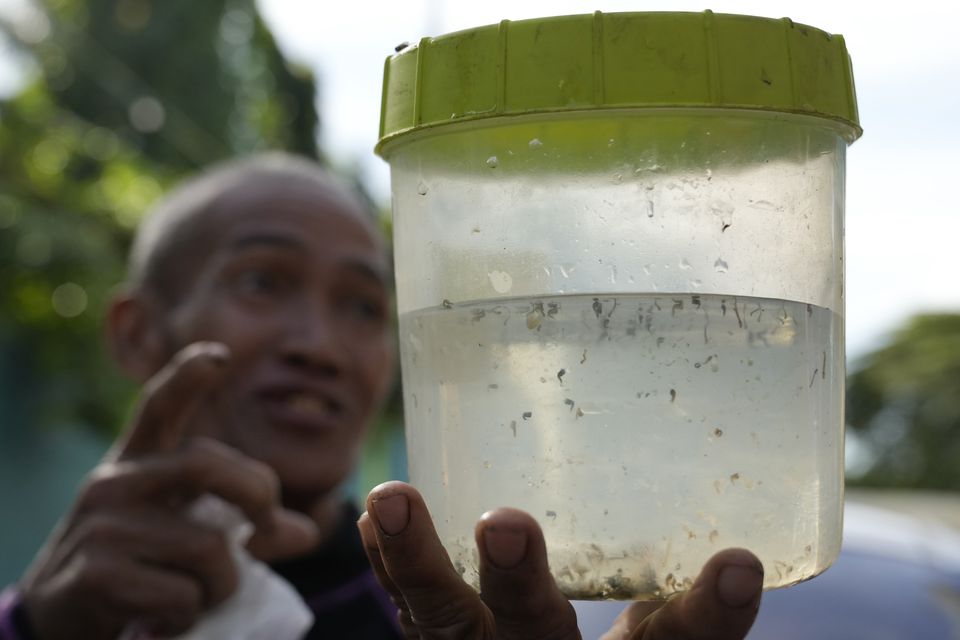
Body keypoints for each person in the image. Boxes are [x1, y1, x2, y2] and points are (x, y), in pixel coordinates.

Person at [0, 153, 763, 640]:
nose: (321, 345)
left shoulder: (440, 620)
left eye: (365, 306)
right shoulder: (61, 613)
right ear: (139, 333)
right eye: (262, 281)